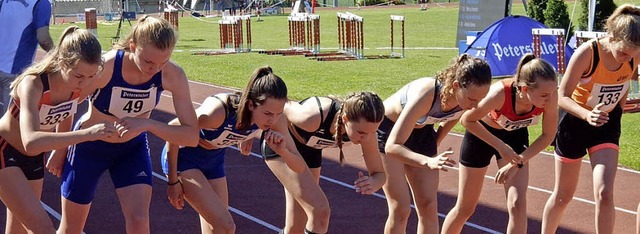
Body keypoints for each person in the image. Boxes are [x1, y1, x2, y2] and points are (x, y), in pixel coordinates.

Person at [49, 16, 199, 234]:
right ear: (132, 46)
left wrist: (147, 123)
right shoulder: (107, 67)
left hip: (131, 149)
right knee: (72, 227)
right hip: (89, 147)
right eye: (148, 62)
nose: (154, 69)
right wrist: (60, 148)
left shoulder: (172, 75)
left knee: (139, 222)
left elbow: (191, 136)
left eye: (163, 62)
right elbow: (69, 103)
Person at [0, 26, 113, 234]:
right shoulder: (33, 84)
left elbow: (67, 112)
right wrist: (87, 134)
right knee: (43, 228)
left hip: (32, 160)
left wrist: (60, 152)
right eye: (79, 75)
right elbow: (31, 142)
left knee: (18, 230)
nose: (85, 83)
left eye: (91, 76)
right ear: (62, 63)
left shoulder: (76, 85)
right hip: (5, 152)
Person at [541, 4, 640, 234]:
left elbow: (624, 81)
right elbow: (561, 96)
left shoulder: (634, 54)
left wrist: (617, 110)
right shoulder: (588, 53)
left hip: (606, 124)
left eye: (634, 54)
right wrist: (587, 114)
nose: (629, 58)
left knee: (605, 193)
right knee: (563, 196)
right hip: (574, 122)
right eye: (624, 52)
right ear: (612, 37)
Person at [161, 66, 292, 233]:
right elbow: (173, 128)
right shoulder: (215, 114)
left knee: (219, 230)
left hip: (213, 160)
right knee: (227, 225)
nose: (273, 120)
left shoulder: (265, 119)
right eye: (268, 113)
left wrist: (248, 137)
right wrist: (172, 181)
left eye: (278, 114)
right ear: (251, 105)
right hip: (185, 158)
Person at [441, 54, 559, 234]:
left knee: (517, 204)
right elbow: (467, 120)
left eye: (553, 92)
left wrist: (518, 160)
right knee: (465, 208)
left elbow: (548, 135)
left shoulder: (549, 95)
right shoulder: (499, 93)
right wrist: (501, 147)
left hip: (515, 138)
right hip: (481, 136)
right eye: (544, 95)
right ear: (525, 89)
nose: (550, 99)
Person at [378, 53, 492, 234]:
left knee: (428, 205)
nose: (475, 107)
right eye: (472, 100)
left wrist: (433, 146)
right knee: (400, 208)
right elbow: (392, 146)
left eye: (480, 100)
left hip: (422, 132)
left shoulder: (465, 101)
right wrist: (427, 161)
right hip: (389, 130)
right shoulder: (427, 94)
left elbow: (452, 118)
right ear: (456, 86)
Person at [272, 92, 386, 233]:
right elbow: (278, 105)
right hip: (280, 145)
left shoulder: (367, 133)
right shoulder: (312, 116)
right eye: (361, 132)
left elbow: (380, 174)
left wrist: (373, 183)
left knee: (295, 228)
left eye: (373, 132)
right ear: (345, 119)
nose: (366, 138)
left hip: (310, 153)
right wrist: (249, 133)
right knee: (320, 212)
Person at [0, 0, 54, 115]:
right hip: (14, 71)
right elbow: (43, 38)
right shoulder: (41, 3)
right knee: (9, 124)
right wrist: (57, 54)